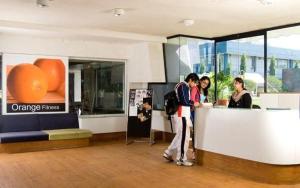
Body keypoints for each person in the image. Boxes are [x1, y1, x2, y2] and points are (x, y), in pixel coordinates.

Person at [163, 73, 199, 166]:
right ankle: (181, 159)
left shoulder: (182, 85)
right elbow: (184, 101)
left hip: (181, 113)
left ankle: (168, 152)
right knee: (184, 137)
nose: (194, 85)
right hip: (182, 113)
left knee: (180, 135)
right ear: (190, 79)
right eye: (194, 82)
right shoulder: (183, 86)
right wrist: (193, 103)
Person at [190, 76, 211, 160]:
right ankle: (194, 151)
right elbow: (192, 100)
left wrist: (207, 104)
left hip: (202, 113)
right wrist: (198, 103)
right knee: (195, 132)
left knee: (201, 132)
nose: (205, 85)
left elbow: (205, 102)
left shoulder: (205, 91)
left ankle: (200, 150)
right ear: (200, 81)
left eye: (207, 84)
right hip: (194, 112)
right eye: (204, 82)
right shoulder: (195, 88)